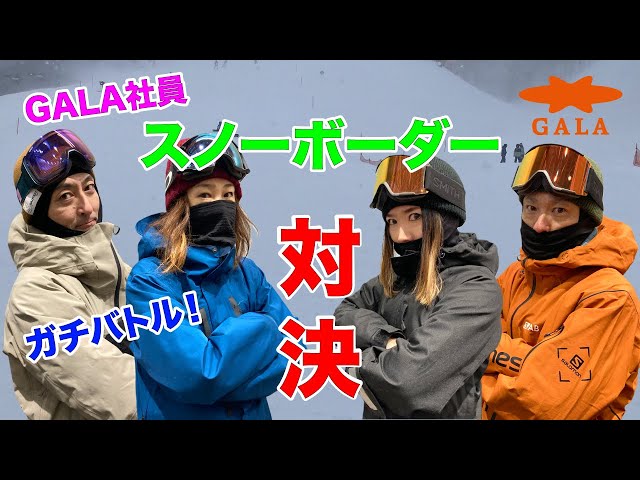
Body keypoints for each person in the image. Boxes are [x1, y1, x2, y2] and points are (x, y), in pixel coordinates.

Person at [125, 131, 292, 420]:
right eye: (205, 194)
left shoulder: (247, 273)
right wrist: (264, 326)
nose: (220, 203)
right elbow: (199, 376)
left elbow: (294, 349)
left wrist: (221, 378)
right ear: (181, 204)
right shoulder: (150, 280)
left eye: (228, 194)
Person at [334, 154, 502, 418]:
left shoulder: (475, 288)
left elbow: (406, 381)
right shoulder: (397, 278)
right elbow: (343, 314)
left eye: (414, 217)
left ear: (446, 218)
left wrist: (355, 363)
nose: (401, 235)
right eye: (392, 221)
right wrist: (385, 338)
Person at [482, 143, 640, 420]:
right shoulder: (517, 275)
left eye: (559, 211)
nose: (539, 225)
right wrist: (531, 361)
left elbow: (543, 404)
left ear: (586, 219)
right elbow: (463, 338)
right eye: (531, 208)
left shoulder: (610, 298)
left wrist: (475, 372)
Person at [4, 129, 136, 420]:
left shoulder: (120, 273)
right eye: (65, 197)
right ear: (40, 213)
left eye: (89, 188)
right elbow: (119, 395)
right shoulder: (33, 296)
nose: (87, 208)